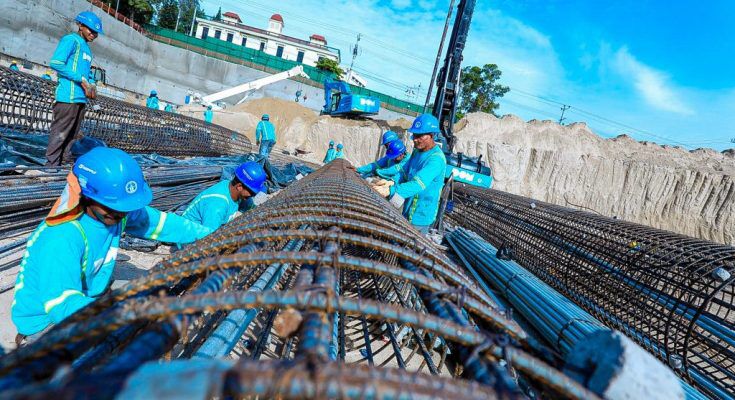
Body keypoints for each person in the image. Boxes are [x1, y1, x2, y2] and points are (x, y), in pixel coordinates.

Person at [11, 147, 212, 342]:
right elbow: (62, 305)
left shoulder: (114, 213)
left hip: (88, 294)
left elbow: (162, 224)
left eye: (125, 208)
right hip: (46, 322)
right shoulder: (62, 237)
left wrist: (211, 235)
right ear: (87, 196)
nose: (121, 214)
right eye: (114, 208)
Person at [371, 114, 447, 234]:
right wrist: (391, 182)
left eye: (419, 136)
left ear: (431, 135)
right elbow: (404, 172)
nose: (414, 139)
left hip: (421, 215)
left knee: (409, 248)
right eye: (414, 135)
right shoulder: (417, 152)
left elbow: (417, 184)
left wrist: (390, 190)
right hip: (409, 207)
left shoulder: (436, 159)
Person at [45, 11, 102, 167]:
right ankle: (50, 165)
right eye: (91, 30)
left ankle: (63, 164)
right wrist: (80, 79)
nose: (94, 34)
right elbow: (56, 63)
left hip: (80, 98)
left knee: (72, 135)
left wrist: (91, 83)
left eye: (96, 32)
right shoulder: (71, 40)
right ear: (81, 26)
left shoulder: (87, 49)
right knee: (60, 133)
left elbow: (86, 72)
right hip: (68, 97)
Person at [182, 161, 267, 231]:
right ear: (239, 187)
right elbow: (206, 239)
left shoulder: (233, 189)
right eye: (252, 192)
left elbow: (251, 207)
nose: (252, 196)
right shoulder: (217, 205)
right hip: (190, 237)